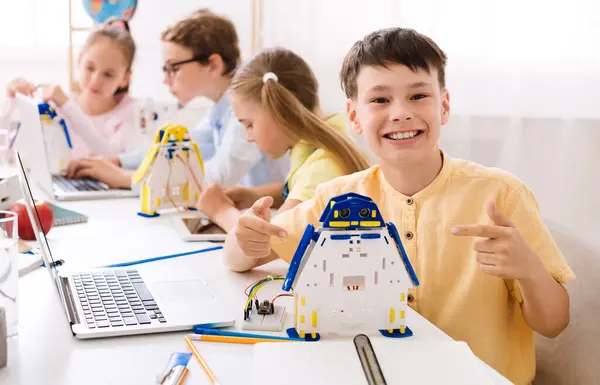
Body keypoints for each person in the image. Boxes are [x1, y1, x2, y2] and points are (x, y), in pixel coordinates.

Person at [223, 27, 574, 385]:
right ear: (354, 116)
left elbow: (553, 324)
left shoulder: (502, 195)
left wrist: (530, 270)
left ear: (444, 105)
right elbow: (237, 258)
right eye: (380, 100)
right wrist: (244, 237)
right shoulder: (338, 201)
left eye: (419, 95)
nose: (401, 113)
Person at [66, 10, 289, 189]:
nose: (165, 80)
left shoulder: (247, 109)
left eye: (173, 68)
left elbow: (218, 176)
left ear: (213, 64)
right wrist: (118, 162)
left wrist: (127, 178)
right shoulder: (219, 109)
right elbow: (179, 148)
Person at [195, 48, 370, 232]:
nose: (248, 137)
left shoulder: (321, 167)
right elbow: (299, 190)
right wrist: (253, 195)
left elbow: (270, 242)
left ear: (277, 112)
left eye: (249, 125)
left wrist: (222, 212)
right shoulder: (318, 148)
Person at [4, 18, 139, 159]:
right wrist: (13, 100)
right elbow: (14, 151)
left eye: (108, 75)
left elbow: (110, 156)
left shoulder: (131, 113)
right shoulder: (57, 108)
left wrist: (67, 105)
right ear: (79, 61)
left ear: (125, 79)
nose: (95, 80)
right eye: (90, 68)